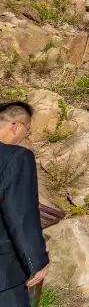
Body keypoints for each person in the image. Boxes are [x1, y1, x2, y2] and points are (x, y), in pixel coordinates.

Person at [0, 101, 50, 306]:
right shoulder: (16, 157)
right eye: (26, 131)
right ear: (16, 125)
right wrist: (37, 260)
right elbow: (20, 214)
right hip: (4, 276)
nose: (23, 138)